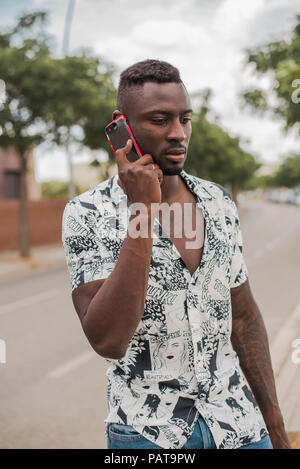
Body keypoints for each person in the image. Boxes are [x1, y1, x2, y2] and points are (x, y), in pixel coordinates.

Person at [62, 59, 290, 449]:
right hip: (147, 435)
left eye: (185, 119)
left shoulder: (218, 202)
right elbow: (109, 340)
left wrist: (276, 429)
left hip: (238, 423)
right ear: (122, 125)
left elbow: (245, 318)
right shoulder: (88, 213)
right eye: (160, 119)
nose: (178, 133)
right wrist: (142, 211)